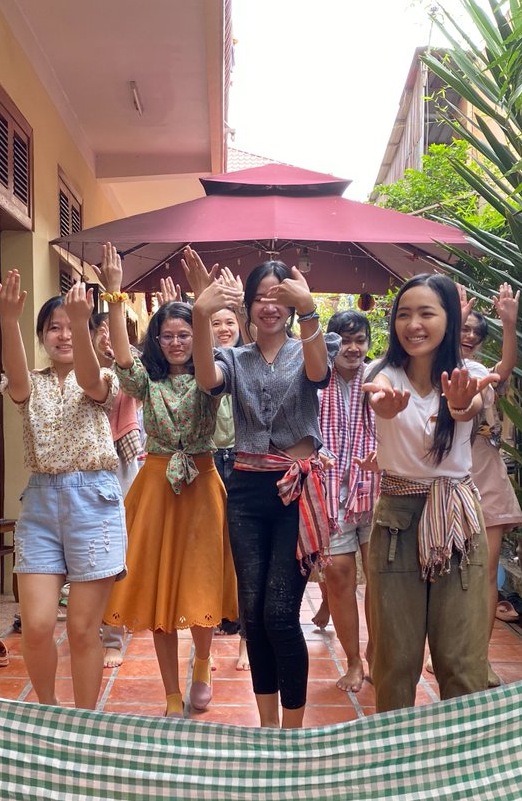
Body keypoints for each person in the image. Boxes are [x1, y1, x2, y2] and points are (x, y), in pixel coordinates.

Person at [189, 249, 339, 728]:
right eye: (259, 298)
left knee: (279, 614)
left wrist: (312, 309)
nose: (268, 306)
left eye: (278, 297)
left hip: (295, 492)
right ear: (248, 307)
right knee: (253, 618)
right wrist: (199, 313)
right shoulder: (234, 357)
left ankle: (291, 737)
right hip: (248, 491)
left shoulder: (310, 344)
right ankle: (267, 729)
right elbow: (206, 378)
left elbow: (319, 374)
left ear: (291, 305)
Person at [98, 245, 237, 717]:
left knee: (199, 586)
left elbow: (211, 355)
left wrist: (205, 302)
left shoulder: (210, 375)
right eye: (167, 336)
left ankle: (202, 662)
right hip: (156, 486)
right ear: (156, 341)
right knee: (159, 593)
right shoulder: (146, 384)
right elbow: (121, 355)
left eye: (183, 334)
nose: (176, 342)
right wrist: (115, 295)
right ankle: (171, 694)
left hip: (201, 483)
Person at [361, 273, 499, 712]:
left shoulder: (470, 374)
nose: (413, 324)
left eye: (426, 313)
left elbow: (469, 406)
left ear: (449, 319)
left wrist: (459, 404)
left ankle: (461, 769)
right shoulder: (380, 374)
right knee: (395, 660)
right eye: (404, 314)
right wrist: (382, 405)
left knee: (461, 661)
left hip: (457, 520)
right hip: (396, 522)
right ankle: (393, 767)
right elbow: (377, 396)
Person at [0, 273, 125, 710]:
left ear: (88, 332)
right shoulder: (32, 382)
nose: (63, 333)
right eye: (54, 326)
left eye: (72, 325)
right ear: (42, 336)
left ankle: (84, 723)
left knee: (83, 629)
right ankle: (50, 713)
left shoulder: (105, 377)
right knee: (35, 624)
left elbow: (91, 382)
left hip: (95, 502)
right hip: (41, 504)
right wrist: (8, 320)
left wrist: (84, 318)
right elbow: (15, 381)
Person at [459, 288, 522, 688]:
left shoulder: (485, 374)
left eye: (476, 332)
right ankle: (449, 651)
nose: (469, 335)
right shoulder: (439, 367)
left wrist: (508, 323)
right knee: (449, 575)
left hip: (486, 476)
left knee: (486, 572)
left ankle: (479, 658)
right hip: (447, 481)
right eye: (464, 328)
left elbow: (506, 366)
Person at [317, 310, 379, 692]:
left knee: (380, 577)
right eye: (344, 340)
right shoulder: (315, 377)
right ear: (331, 342)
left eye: (360, 340)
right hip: (329, 491)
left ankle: (374, 654)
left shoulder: (379, 376)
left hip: (376, 486)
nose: (353, 348)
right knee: (339, 574)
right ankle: (353, 661)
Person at [91, 310, 140, 668]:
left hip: (123, 460)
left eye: (116, 331)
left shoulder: (130, 365)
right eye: (102, 330)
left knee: (118, 551)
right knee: (92, 553)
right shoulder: (78, 367)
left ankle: (113, 635)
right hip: (85, 466)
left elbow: (134, 371)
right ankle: (97, 626)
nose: (109, 337)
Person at [210, 304, 249, 668]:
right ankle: (220, 613)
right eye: (216, 322)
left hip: (241, 459)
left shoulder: (248, 361)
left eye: (230, 321)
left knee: (242, 549)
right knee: (213, 547)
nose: (223, 328)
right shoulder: (206, 365)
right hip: (209, 460)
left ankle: (244, 638)